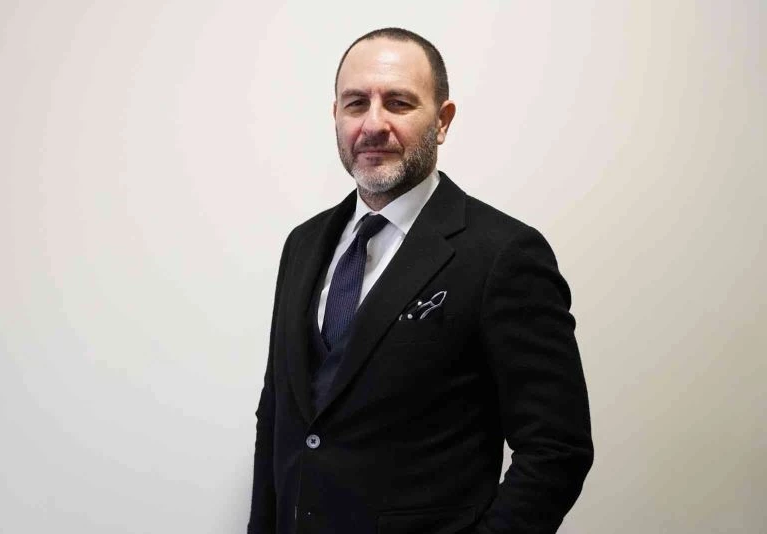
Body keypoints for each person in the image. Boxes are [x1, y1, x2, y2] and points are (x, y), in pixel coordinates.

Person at [248, 27, 593, 534]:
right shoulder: (302, 244)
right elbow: (277, 416)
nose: (373, 124)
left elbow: (557, 449)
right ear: (336, 116)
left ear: (442, 121)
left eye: (399, 103)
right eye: (356, 103)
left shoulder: (503, 254)